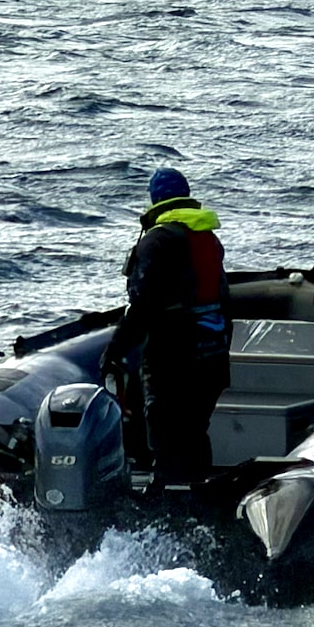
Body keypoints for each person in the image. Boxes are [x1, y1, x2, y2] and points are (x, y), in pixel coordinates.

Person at [104, 167, 230, 489]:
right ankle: (199, 495)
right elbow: (225, 300)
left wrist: (113, 352)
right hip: (212, 359)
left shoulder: (156, 242)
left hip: (173, 359)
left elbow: (141, 308)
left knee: (164, 433)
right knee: (195, 432)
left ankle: (166, 504)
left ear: (155, 200)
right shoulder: (207, 239)